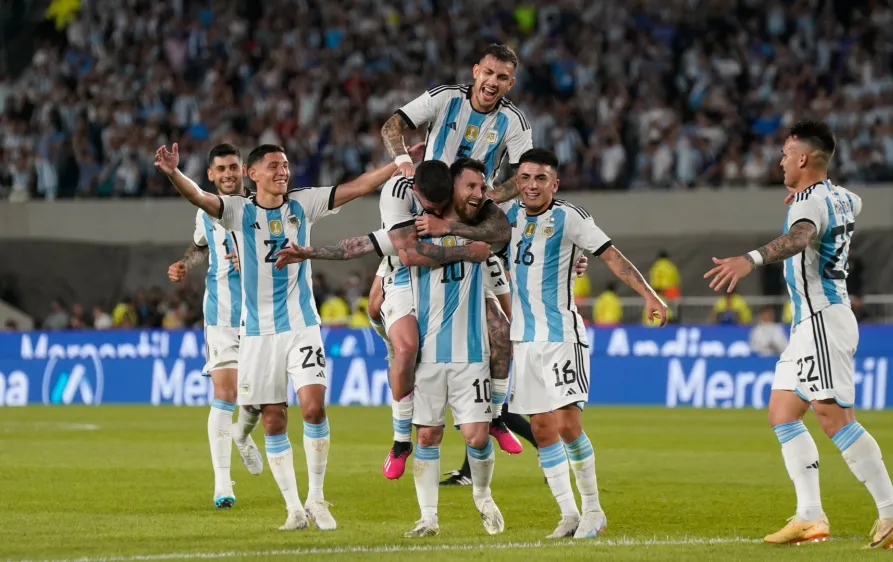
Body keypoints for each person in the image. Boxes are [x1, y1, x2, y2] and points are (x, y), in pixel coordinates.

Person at [154, 142, 400, 531]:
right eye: (273, 166)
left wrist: (397, 165)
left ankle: (316, 498)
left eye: (285, 165)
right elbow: (198, 196)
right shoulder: (238, 210)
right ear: (254, 174)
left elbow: (355, 187)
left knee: (314, 407)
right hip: (256, 332)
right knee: (272, 418)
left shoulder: (304, 203)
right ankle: (294, 509)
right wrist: (172, 173)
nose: (282, 171)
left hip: (302, 324)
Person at [703, 121, 893, 549]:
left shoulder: (813, 204)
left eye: (786, 153)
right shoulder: (840, 198)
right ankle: (809, 515)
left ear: (803, 159)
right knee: (783, 412)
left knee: (833, 417)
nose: (780, 160)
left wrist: (751, 258)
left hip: (822, 319)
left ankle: (892, 509)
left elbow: (800, 238)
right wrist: (807, 196)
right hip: (809, 324)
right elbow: (849, 201)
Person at [275, 159, 506, 537]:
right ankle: (428, 517)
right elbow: (361, 244)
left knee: (477, 438)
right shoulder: (411, 232)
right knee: (427, 436)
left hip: (470, 352)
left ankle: (483, 495)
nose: (475, 195)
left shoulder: (478, 224)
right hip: (430, 351)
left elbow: (505, 232)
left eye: (477, 189)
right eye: (469, 188)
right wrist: (311, 252)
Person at [368, 43, 534, 477]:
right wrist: (405, 164)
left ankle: (496, 415)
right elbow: (392, 126)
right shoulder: (446, 98)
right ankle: (401, 439)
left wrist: (483, 198)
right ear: (475, 70)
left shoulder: (514, 123)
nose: (493, 83)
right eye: (489, 73)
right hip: (426, 221)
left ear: (510, 83)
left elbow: (522, 177)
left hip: (467, 230)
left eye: (502, 78)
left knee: (501, 330)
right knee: (405, 342)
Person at [502, 148, 668, 539]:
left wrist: (649, 295)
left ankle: (594, 509)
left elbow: (611, 256)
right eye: (525, 177)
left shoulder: (569, 217)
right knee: (541, 428)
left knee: (567, 424)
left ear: (554, 184)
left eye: (541, 178)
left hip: (562, 335)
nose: (531, 185)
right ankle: (568, 514)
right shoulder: (507, 216)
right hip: (524, 339)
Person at [165, 143, 263, 509]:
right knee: (225, 394)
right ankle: (223, 482)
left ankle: (241, 434)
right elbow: (200, 247)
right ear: (210, 174)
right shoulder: (206, 212)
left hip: (261, 315)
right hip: (221, 314)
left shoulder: (261, 208)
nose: (227, 173)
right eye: (220, 168)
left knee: (260, 400)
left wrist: (254, 262)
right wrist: (183, 264)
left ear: (244, 170)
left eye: (233, 167)